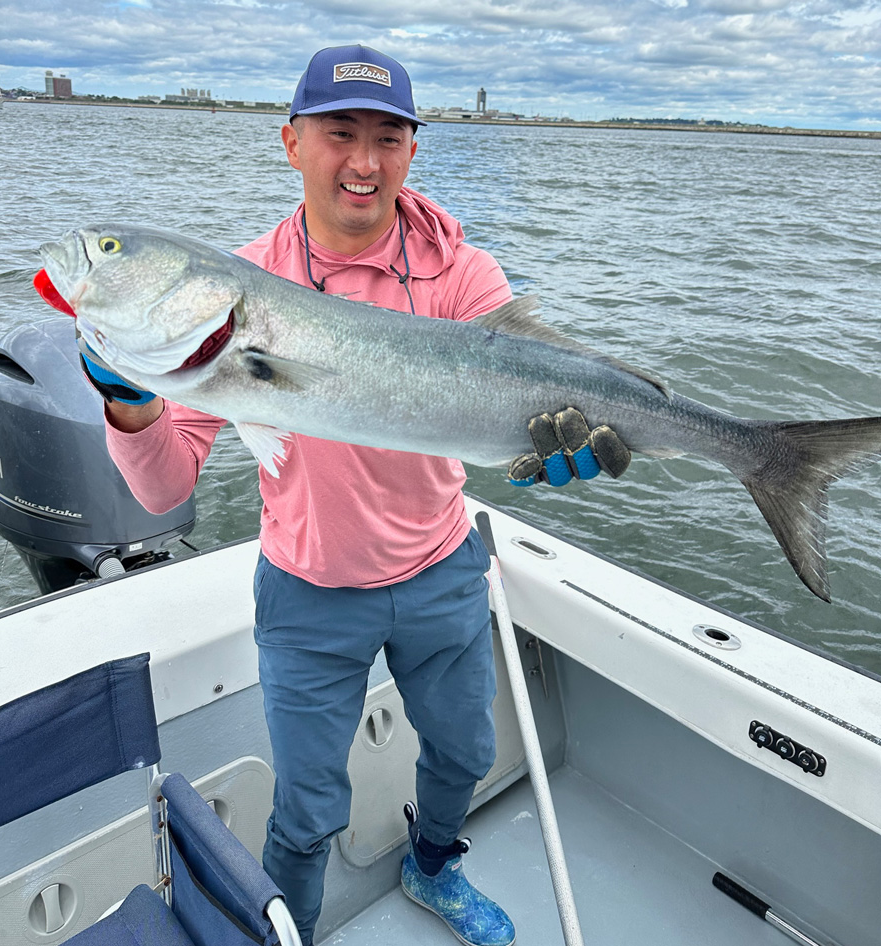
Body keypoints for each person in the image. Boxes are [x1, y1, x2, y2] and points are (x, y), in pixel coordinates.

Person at [74, 45, 630, 946]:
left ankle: (435, 866)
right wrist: (131, 406)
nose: (363, 161)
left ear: (411, 152)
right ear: (292, 142)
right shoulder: (232, 289)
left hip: (441, 567)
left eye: (387, 137)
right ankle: (283, 928)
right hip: (307, 589)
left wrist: (572, 438)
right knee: (306, 803)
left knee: (465, 754)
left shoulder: (460, 274)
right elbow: (170, 481)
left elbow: (536, 379)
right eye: (340, 133)